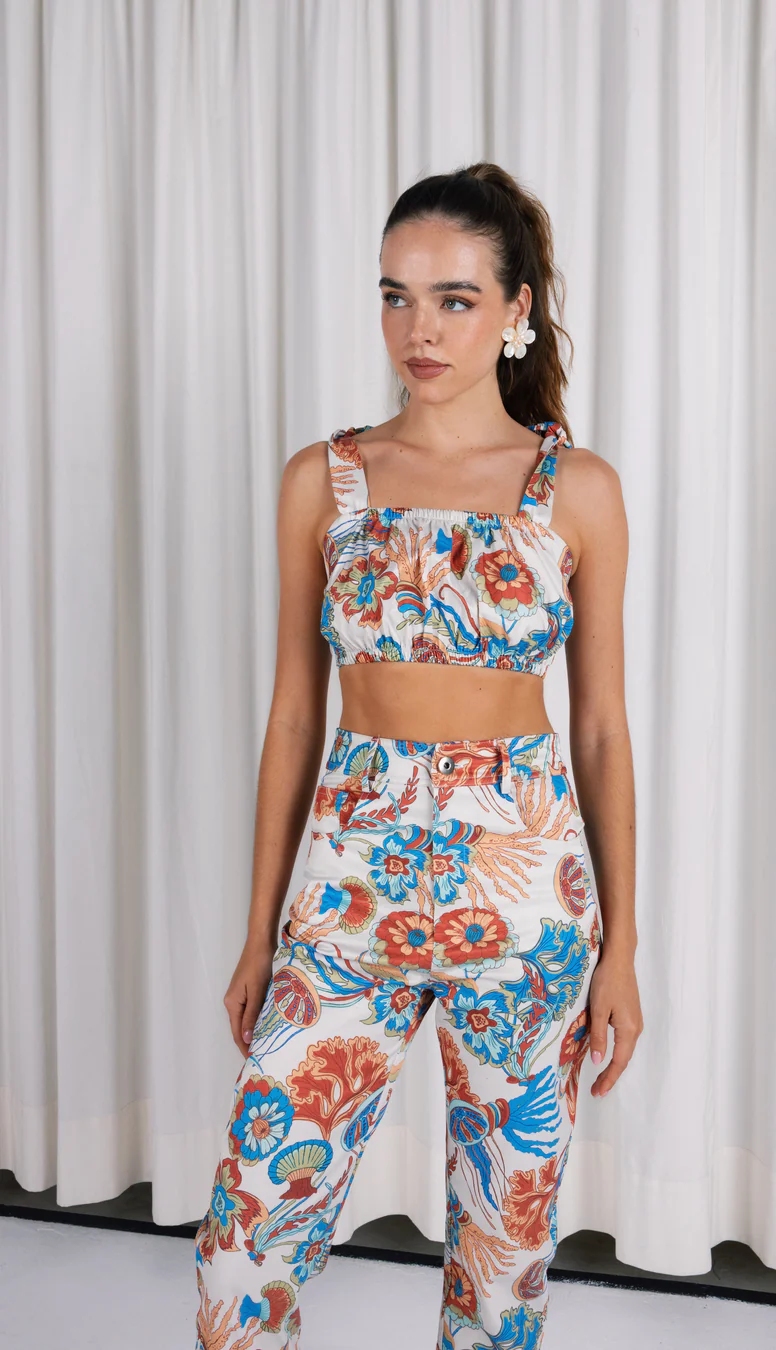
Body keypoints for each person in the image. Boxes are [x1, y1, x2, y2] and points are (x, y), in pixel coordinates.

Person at [194, 162, 642, 1350]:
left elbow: (600, 728)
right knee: (243, 1248)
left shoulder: (577, 490)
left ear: (516, 309)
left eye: (453, 299)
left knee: (502, 1254)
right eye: (396, 296)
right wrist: (260, 931)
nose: (419, 330)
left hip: (527, 893)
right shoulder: (325, 479)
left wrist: (623, 950)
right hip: (352, 883)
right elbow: (296, 717)